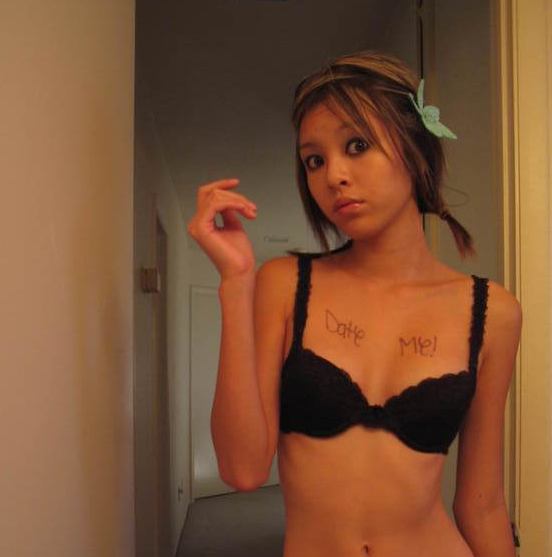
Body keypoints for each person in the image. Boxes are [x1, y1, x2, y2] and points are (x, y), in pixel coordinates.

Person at [187, 50, 522, 557]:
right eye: (314, 160)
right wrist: (236, 283)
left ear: (413, 146)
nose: (333, 175)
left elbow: (483, 505)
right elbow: (243, 469)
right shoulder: (286, 284)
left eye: (357, 145)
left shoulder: (492, 312)